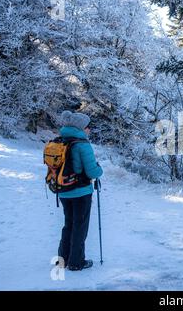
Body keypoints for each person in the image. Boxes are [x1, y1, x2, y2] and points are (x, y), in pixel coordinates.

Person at [57, 110, 103, 271]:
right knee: (80, 226)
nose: (89, 129)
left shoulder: (60, 141)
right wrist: (100, 169)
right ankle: (76, 262)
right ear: (81, 128)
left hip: (62, 190)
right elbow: (92, 172)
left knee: (68, 224)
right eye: (87, 126)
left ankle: (62, 259)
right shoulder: (82, 144)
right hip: (81, 192)